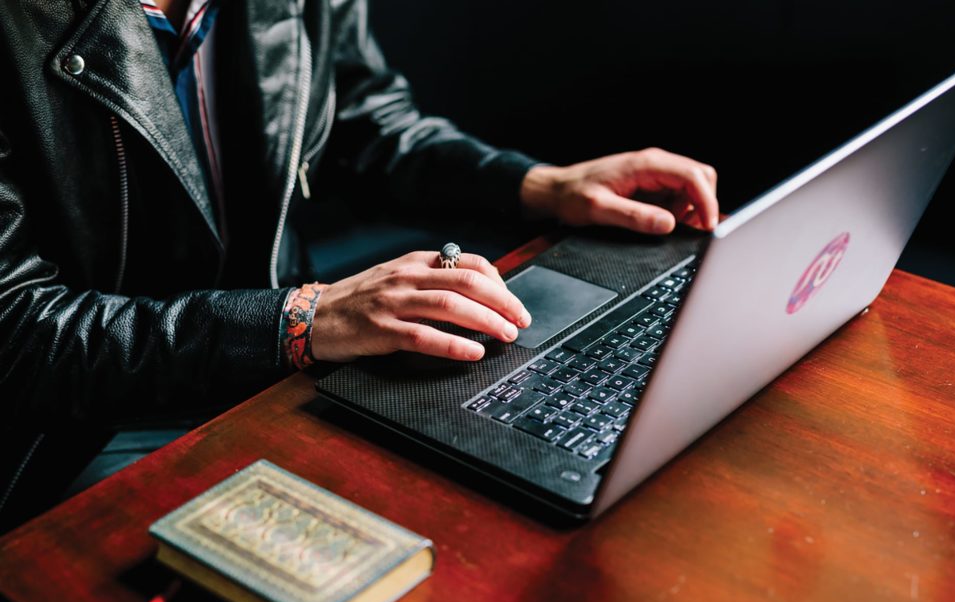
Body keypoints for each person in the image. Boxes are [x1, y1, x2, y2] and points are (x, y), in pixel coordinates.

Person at [0, 0, 718, 530]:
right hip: (79, 430)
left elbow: (367, 121)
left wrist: (537, 186)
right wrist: (300, 318)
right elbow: (19, 338)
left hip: (275, 371)